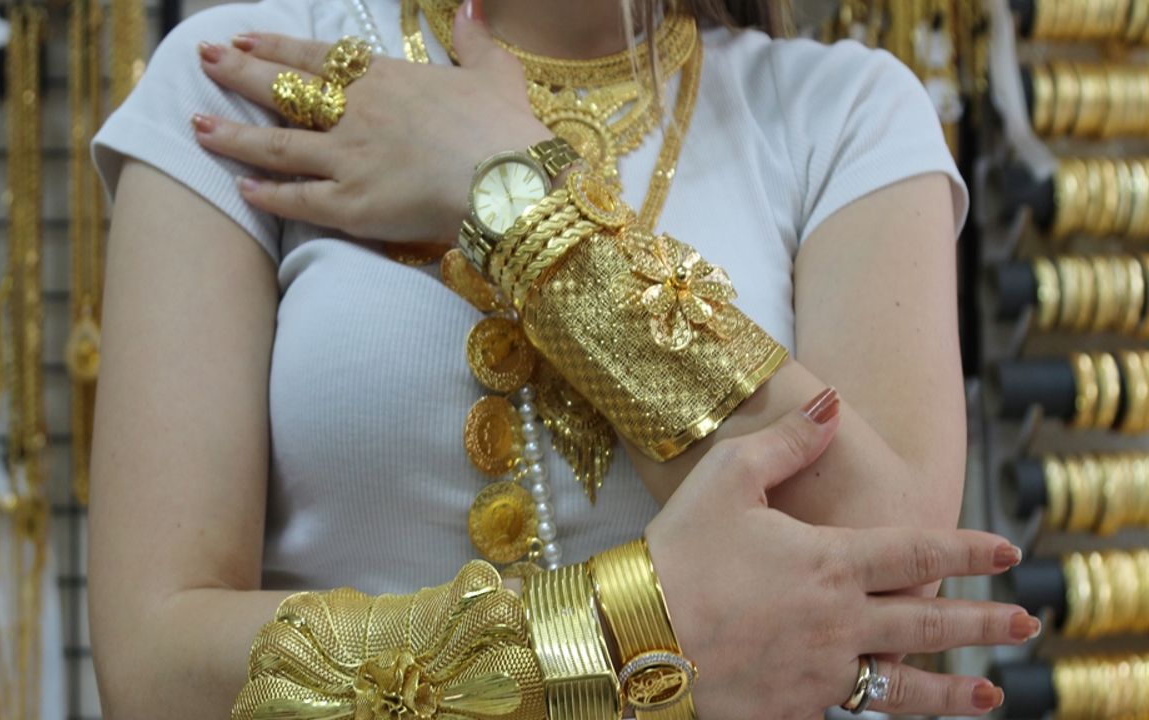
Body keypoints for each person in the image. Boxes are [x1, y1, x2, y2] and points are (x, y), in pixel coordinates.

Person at [88, 1, 1032, 718]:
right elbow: (153, 666)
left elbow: (886, 567)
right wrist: (620, 634)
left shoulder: (843, 113)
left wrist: (512, 196)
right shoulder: (255, 78)